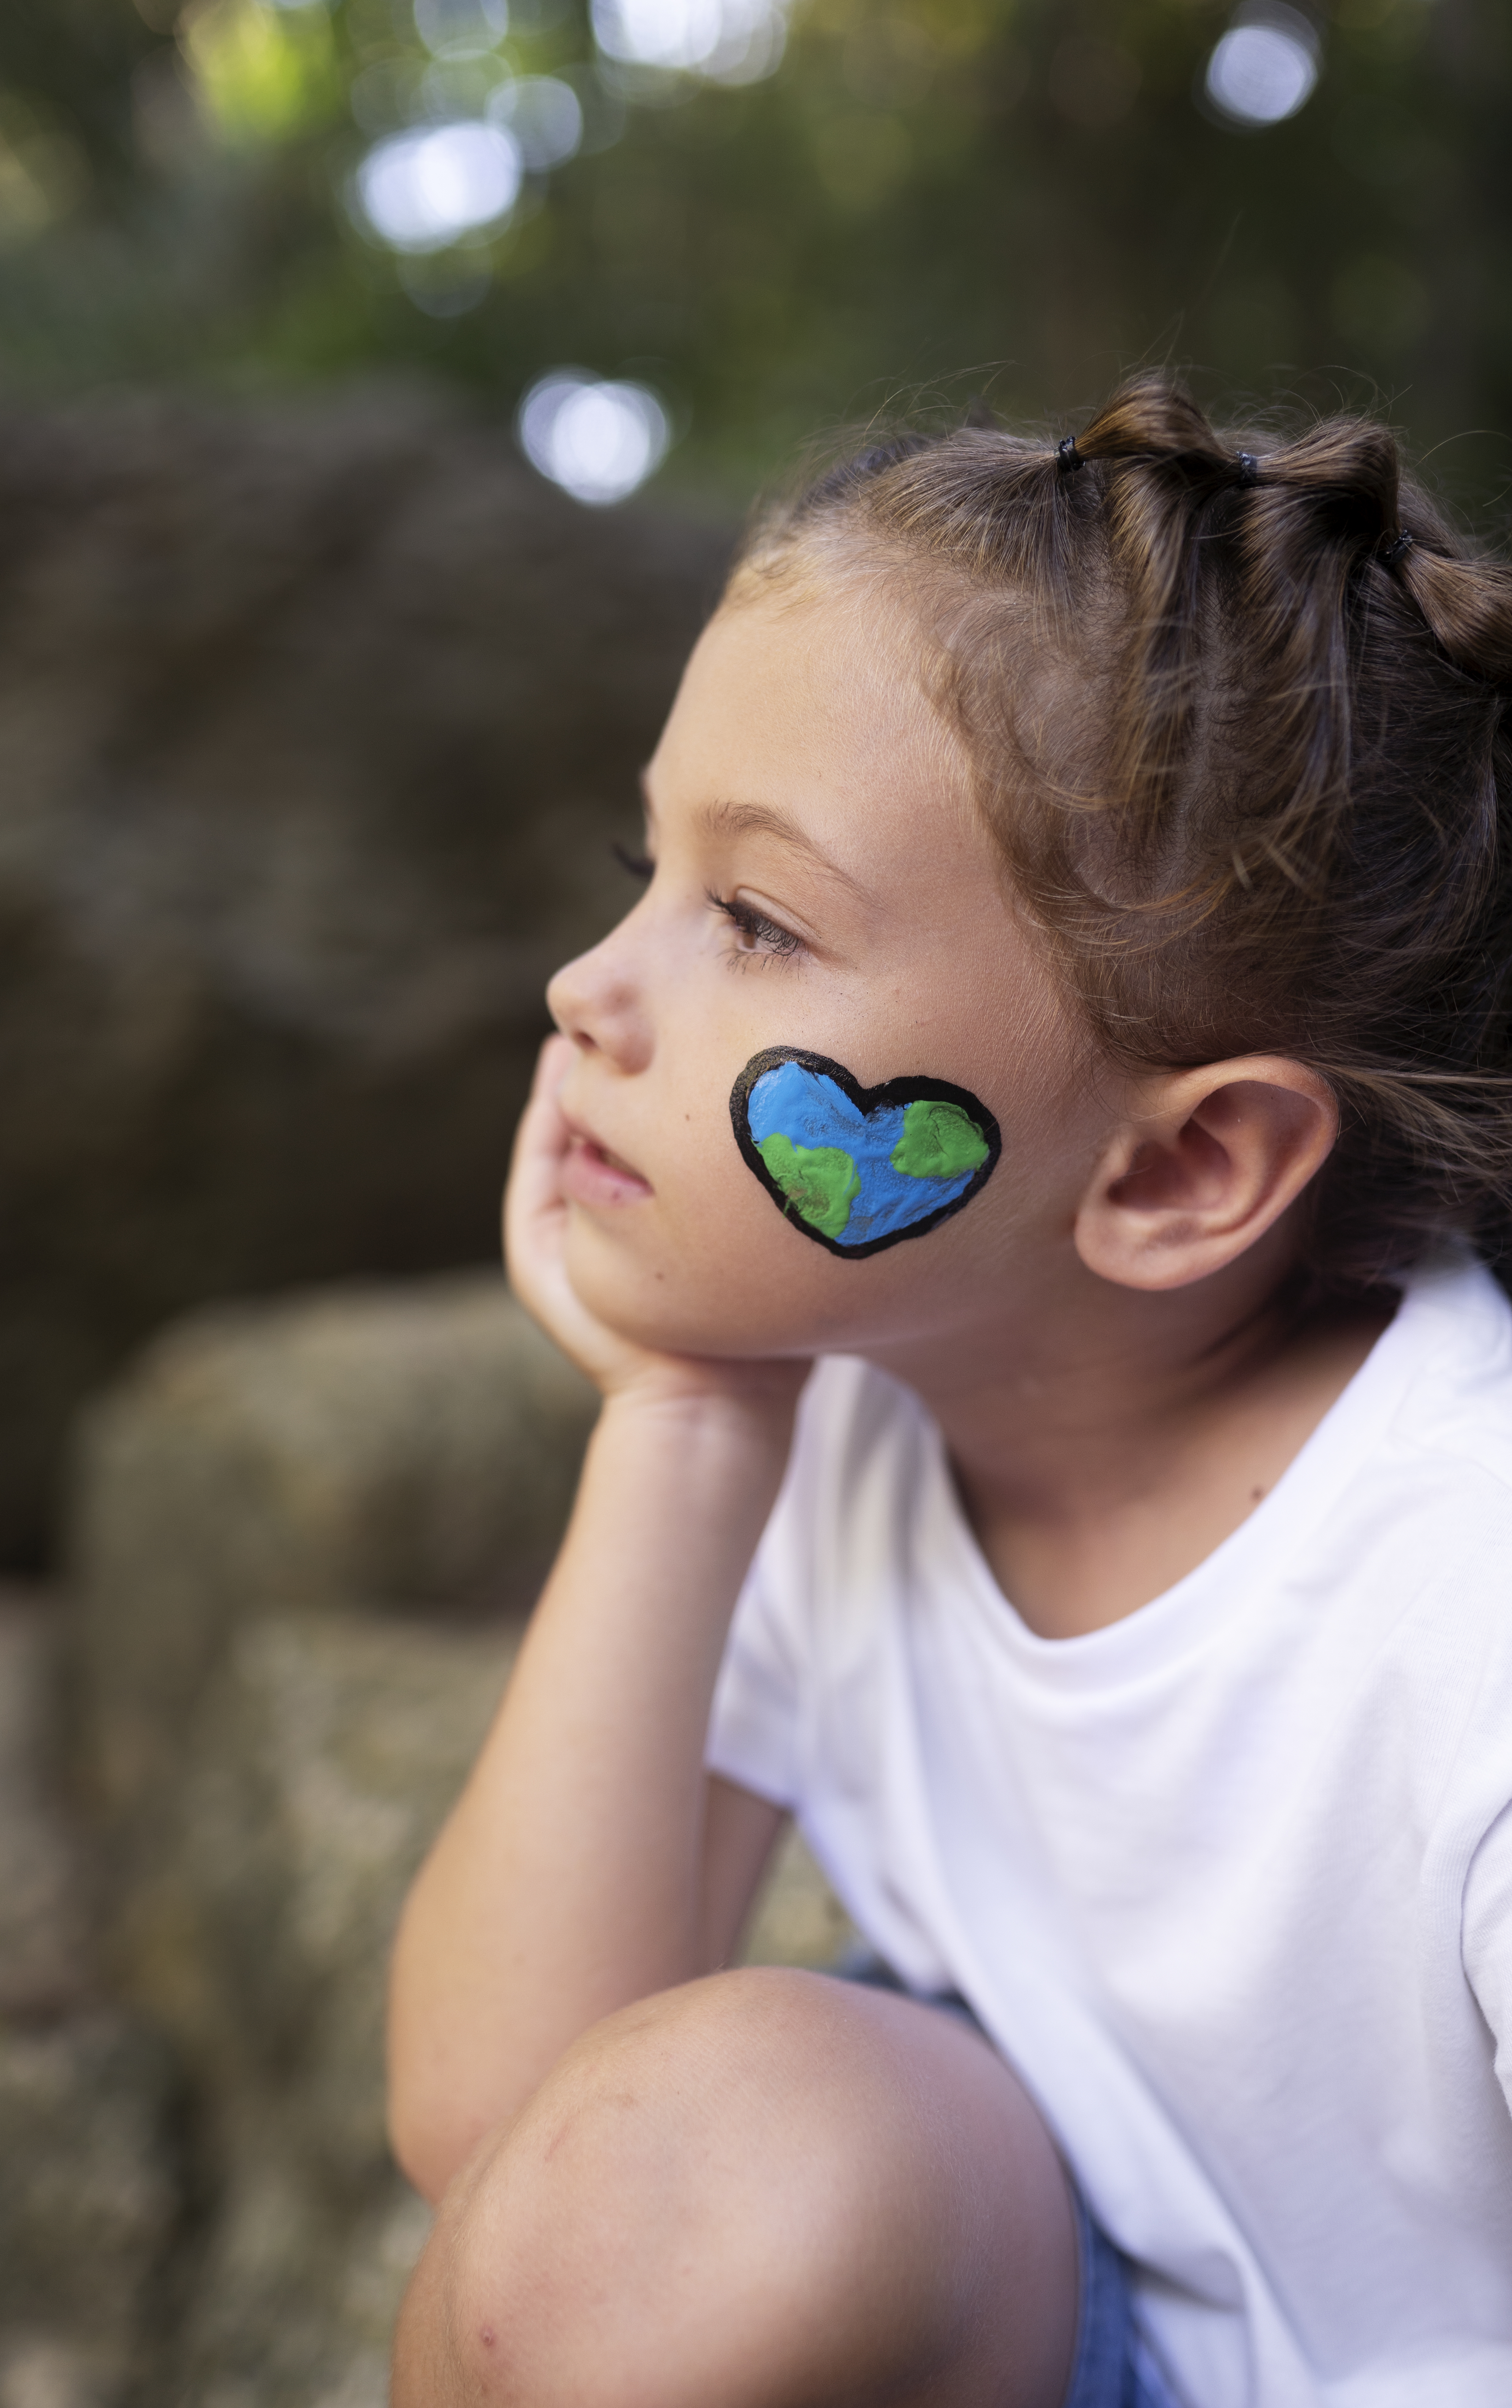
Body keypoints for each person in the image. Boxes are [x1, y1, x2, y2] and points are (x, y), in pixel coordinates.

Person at [385, 378, 1512, 2408]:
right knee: (674, 2203)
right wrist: (687, 1421)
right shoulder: (856, 1404)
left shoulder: (1471, 1611)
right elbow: (505, 2128)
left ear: (1176, 1172)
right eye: (647, 866)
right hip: (1045, 2314)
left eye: (753, 917)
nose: (585, 986)